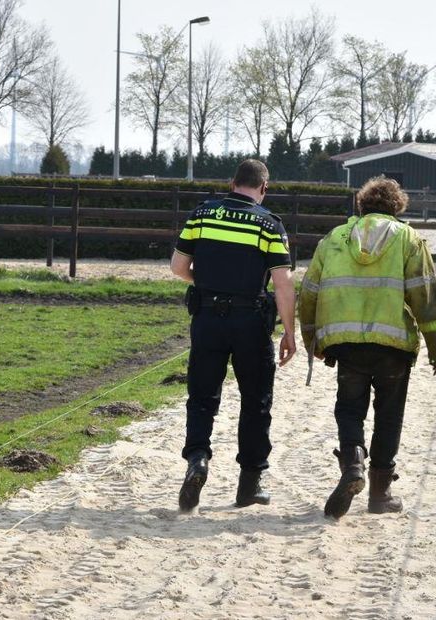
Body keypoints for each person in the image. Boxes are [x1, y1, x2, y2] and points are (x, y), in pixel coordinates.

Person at [299, 176, 436, 520]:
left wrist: (313, 341)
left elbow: (308, 292)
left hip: (346, 344)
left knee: (349, 409)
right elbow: (425, 296)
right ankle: (380, 494)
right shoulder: (409, 239)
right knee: (389, 416)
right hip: (393, 347)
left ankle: (353, 462)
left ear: (362, 205)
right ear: (398, 207)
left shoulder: (334, 239)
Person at [170, 159, 297, 513]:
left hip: (207, 316)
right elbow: (283, 285)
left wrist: (211, 285)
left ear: (232, 183)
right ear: (263, 188)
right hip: (250, 321)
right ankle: (249, 484)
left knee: (201, 397)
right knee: (255, 401)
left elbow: (179, 268)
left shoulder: (202, 215)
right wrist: (289, 332)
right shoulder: (269, 224)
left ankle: (197, 460)